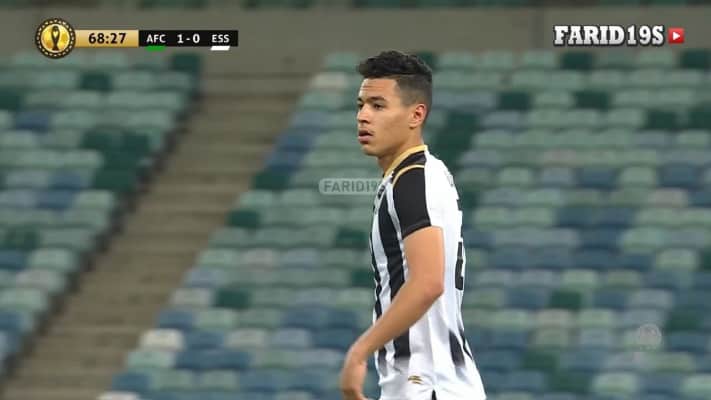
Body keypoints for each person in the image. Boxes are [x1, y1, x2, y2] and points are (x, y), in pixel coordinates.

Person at [339, 50, 487, 400]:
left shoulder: (412, 179)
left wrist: (359, 352)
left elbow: (427, 282)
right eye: (361, 105)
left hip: (428, 384)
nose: (363, 116)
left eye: (378, 105)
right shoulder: (421, 174)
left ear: (416, 115)